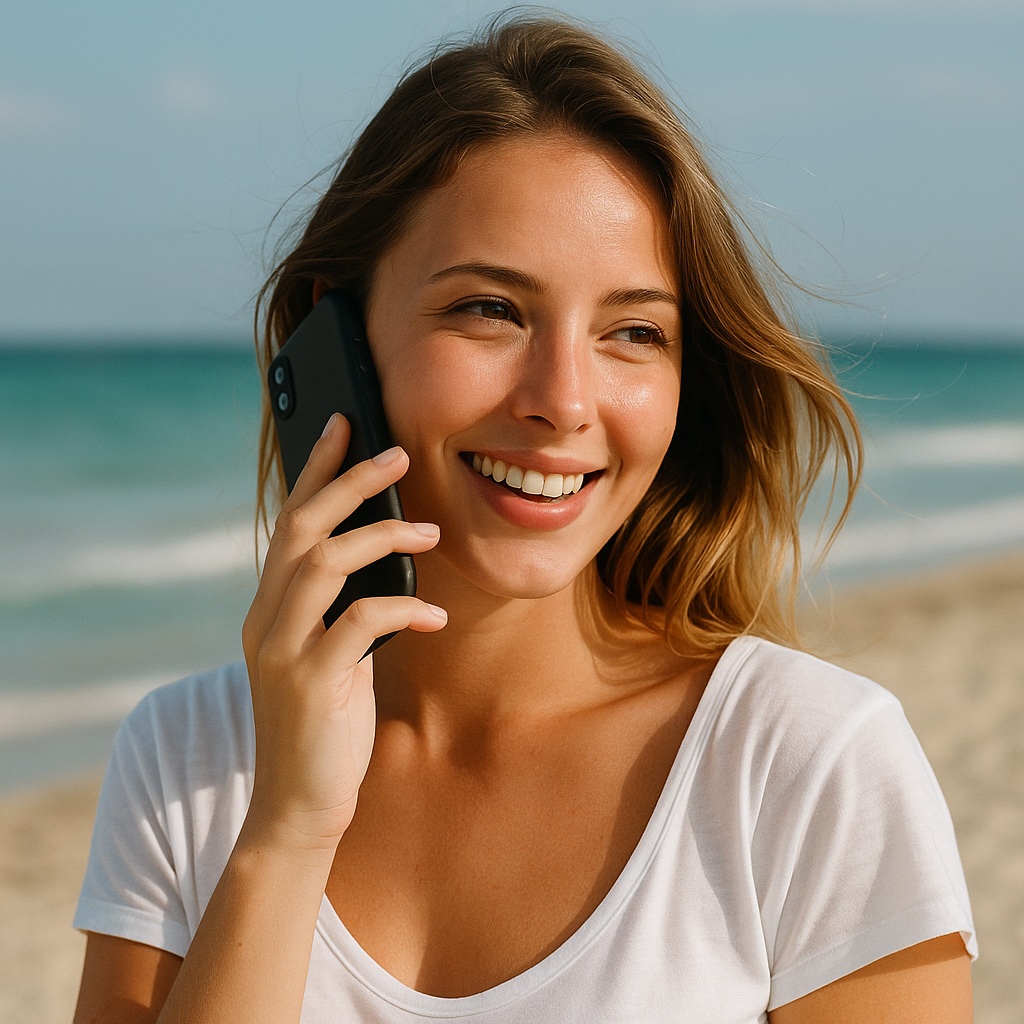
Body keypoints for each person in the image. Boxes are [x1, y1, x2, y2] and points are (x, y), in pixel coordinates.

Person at [72, 14, 975, 1023]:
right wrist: (286, 826)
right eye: (489, 310)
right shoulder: (186, 761)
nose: (563, 398)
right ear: (338, 334)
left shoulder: (804, 763)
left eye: (633, 332)